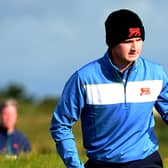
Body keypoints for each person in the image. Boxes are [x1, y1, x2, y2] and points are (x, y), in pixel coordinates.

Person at [50, 9, 168, 168]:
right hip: (102, 163)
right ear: (112, 42)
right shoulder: (84, 78)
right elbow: (61, 125)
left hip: (146, 161)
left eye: (139, 39)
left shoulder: (156, 74)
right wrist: (74, 165)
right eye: (127, 41)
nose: (135, 47)